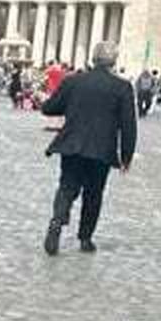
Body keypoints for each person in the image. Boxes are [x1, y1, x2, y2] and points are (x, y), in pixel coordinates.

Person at [40, 40, 137, 256]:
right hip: (101, 151)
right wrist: (126, 156)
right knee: (93, 194)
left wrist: (50, 103)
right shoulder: (122, 87)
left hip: (72, 144)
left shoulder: (73, 81)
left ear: (93, 58)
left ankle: (57, 220)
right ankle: (85, 238)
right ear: (114, 61)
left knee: (67, 186)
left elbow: (50, 108)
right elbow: (129, 125)